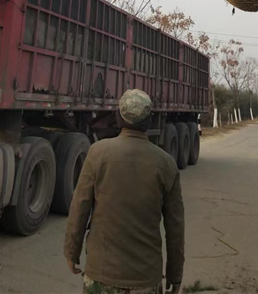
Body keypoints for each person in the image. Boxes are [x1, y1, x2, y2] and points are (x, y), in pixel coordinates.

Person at [64, 89, 185, 294]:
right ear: (149, 122)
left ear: (119, 118)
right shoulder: (166, 164)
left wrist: (71, 252)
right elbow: (175, 229)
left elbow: (80, 207)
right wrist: (175, 275)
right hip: (146, 279)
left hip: (100, 276)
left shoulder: (97, 153)